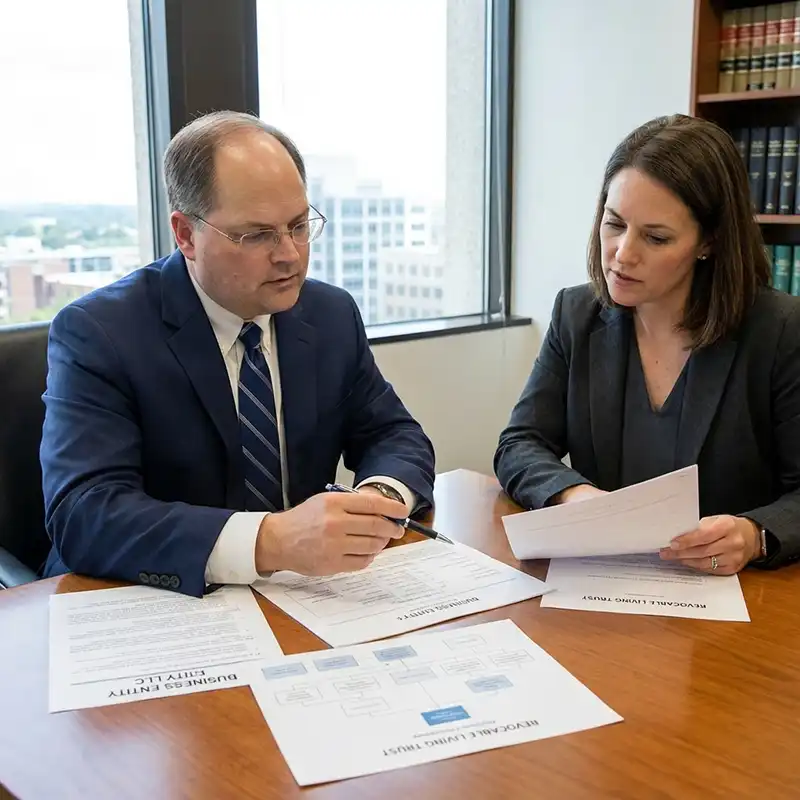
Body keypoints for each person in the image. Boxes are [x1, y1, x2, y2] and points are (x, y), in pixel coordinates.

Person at [40, 110, 435, 597]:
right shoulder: (99, 332)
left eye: (298, 226)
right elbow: (84, 513)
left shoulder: (329, 314)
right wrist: (268, 541)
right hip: (151, 600)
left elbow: (394, 433)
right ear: (186, 234)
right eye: (257, 235)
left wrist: (378, 500)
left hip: (302, 597)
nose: (289, 254)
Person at [495, 113, 800, 575]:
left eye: (656, 237)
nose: (623, 254)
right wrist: (575, 496)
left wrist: (754, 535)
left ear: (709, 242)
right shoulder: (576, 314)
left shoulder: (779, 330)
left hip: (736, 596)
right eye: (614, 224)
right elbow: (520, 443)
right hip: (607, 582)